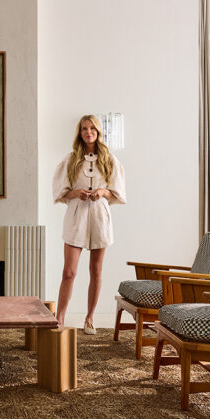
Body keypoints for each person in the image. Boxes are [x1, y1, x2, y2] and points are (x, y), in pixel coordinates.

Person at [52, 114, 126, 334]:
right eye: (84, 128)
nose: (88, 132)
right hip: (77, 216)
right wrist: (77, 193)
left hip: (100, 217)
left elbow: (117, 191)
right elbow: (61, 192)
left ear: (98, 131)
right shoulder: (71, 159)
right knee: (69, 272)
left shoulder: (109, 159)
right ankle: (60, 317)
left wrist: (102, 192)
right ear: (80, 133)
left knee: (96, 270)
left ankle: (90, 318)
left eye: (92, 128)